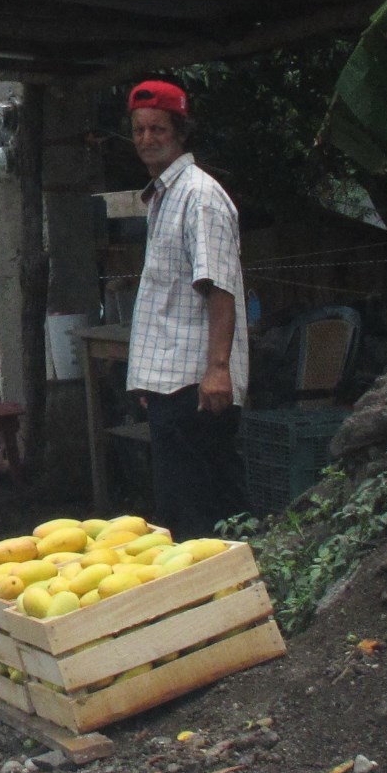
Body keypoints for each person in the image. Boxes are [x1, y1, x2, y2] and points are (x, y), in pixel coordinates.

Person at [126, 79, 250, 539]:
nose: (146, 140)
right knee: (180, 513)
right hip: (171, 384)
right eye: (139, 130)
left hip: (198, 386)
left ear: (181, 132)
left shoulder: (199, 196)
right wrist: (148, 382)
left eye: (158, 129)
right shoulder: (164, 196)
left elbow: (219, 288)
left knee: (208, 516)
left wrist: (218, 368)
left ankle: (233, 598)